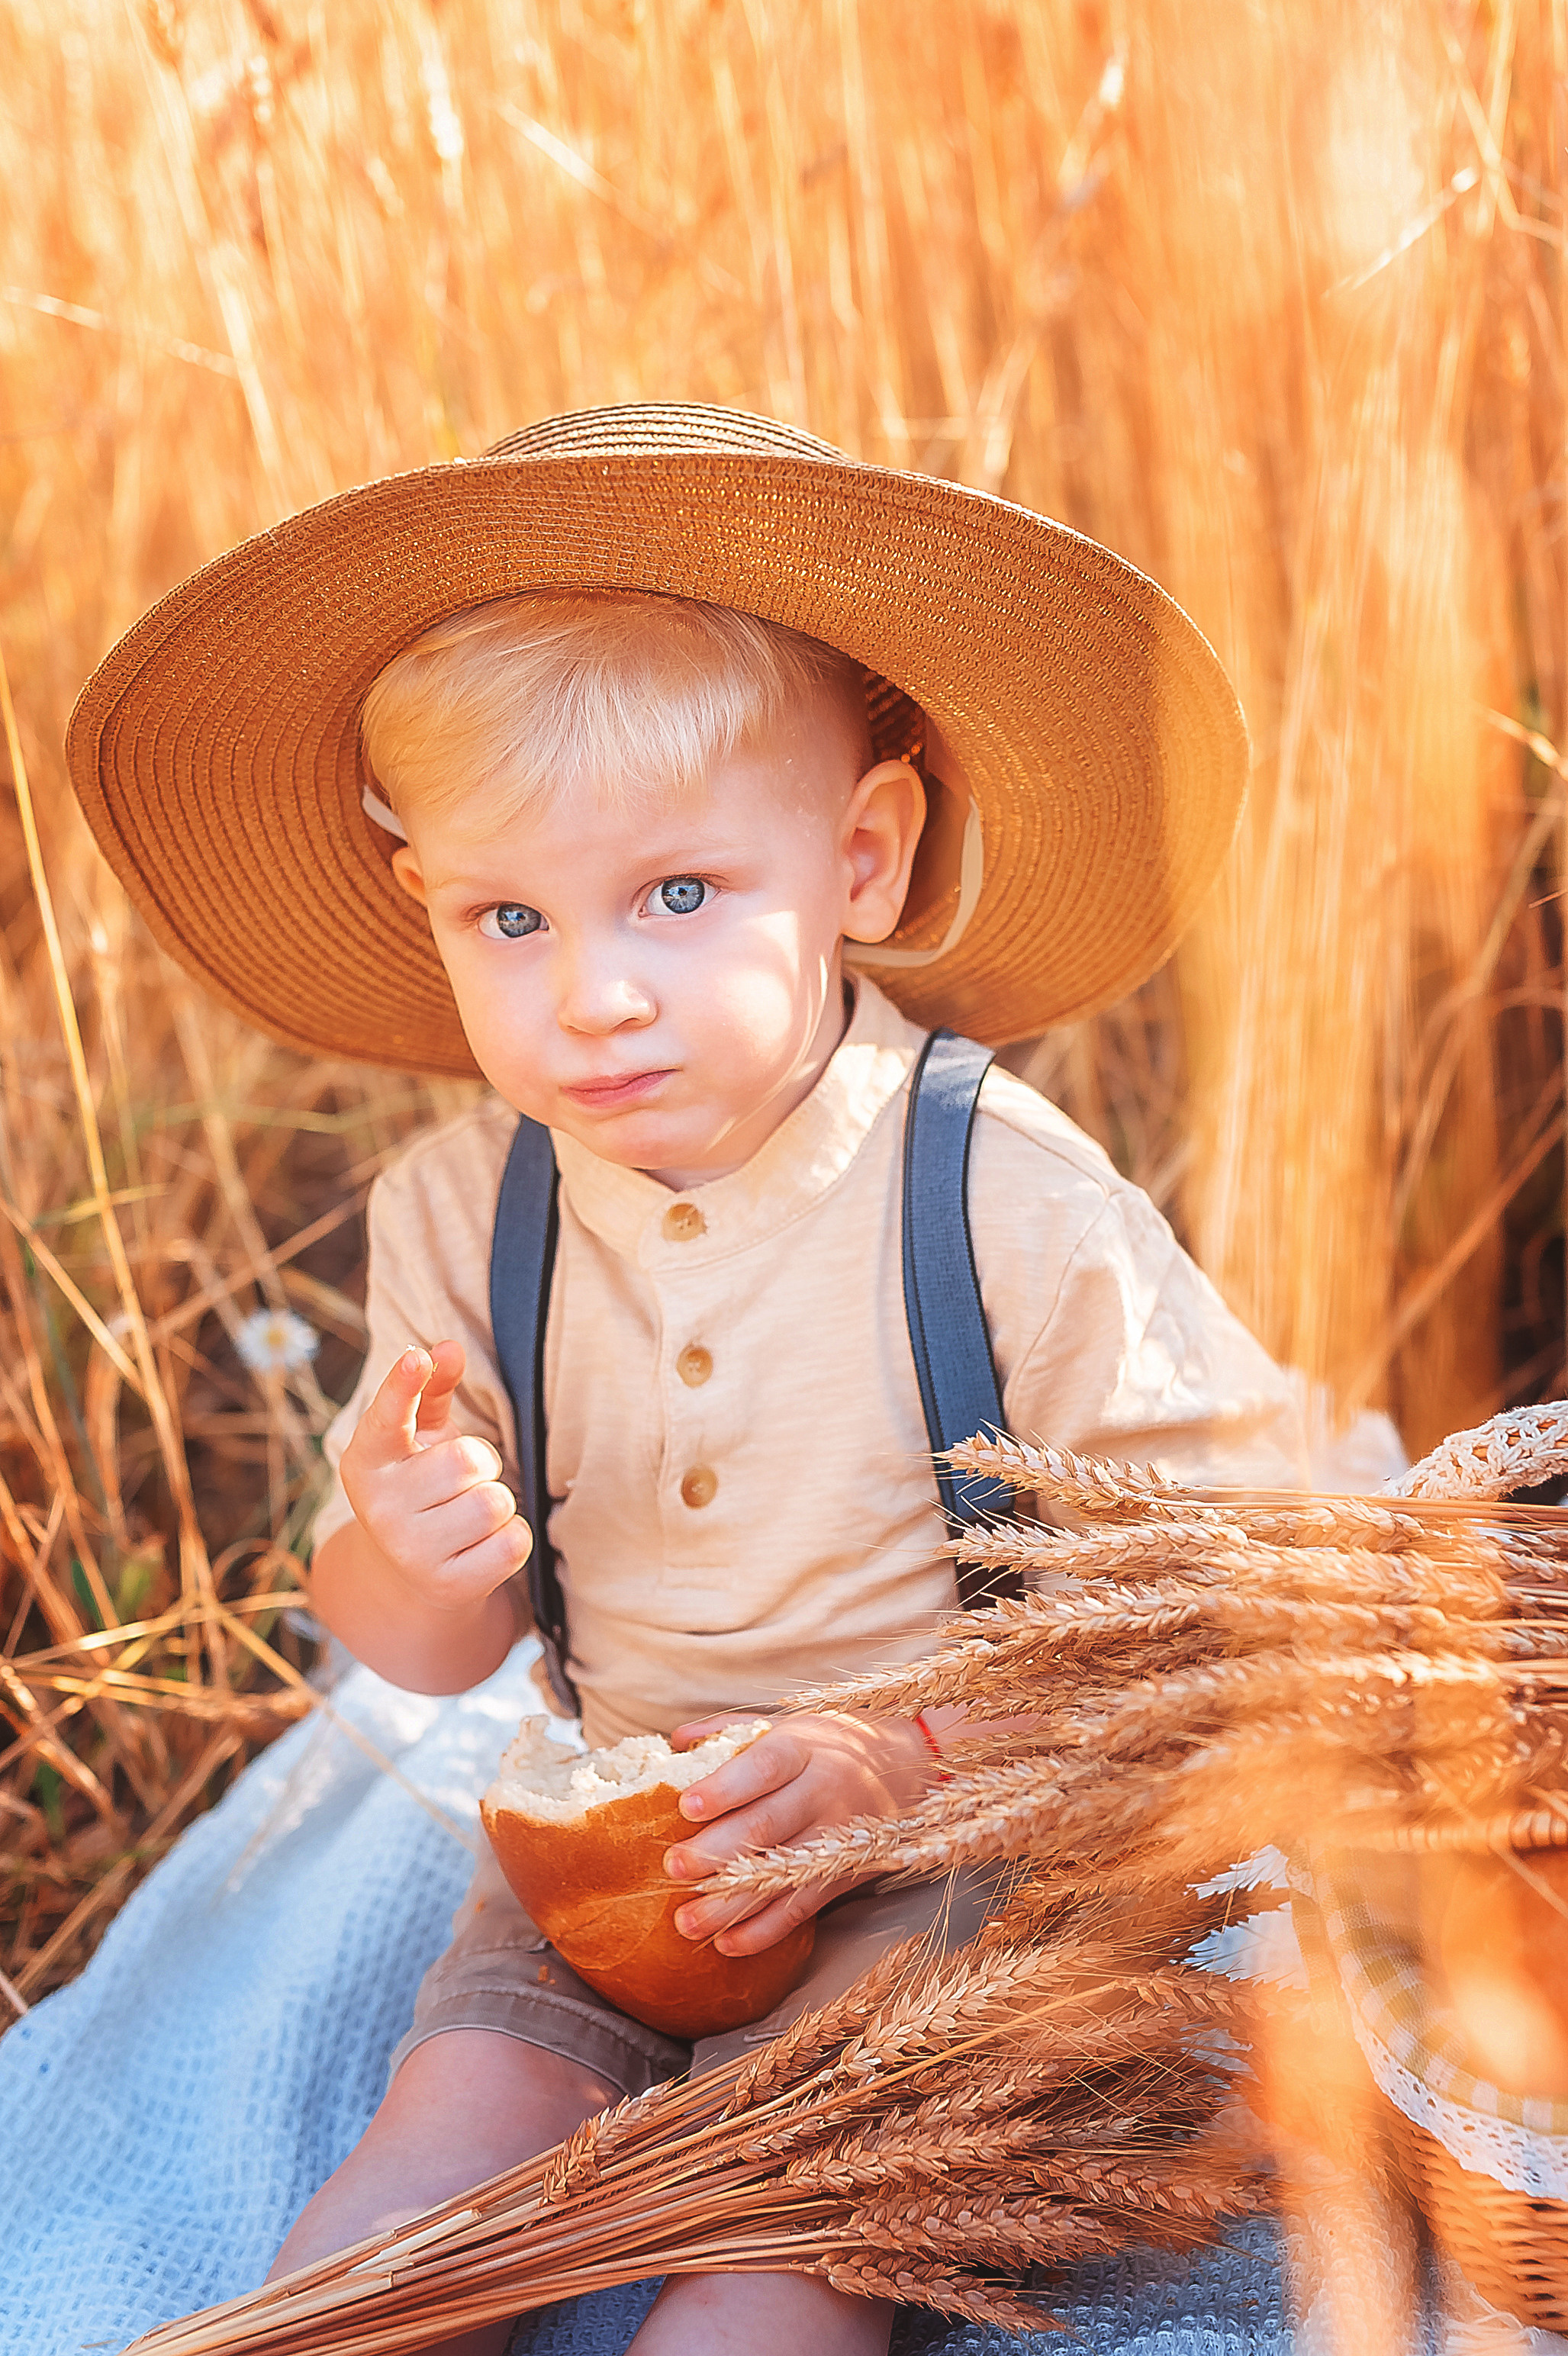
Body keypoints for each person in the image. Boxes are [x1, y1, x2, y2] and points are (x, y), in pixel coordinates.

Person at [66, 404, 1304, 2355]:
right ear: (431, 910)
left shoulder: (1003, 1198)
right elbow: (419, 1651)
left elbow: (1211, 1618)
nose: (596, 991)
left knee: (781, 2241)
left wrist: (890, 1762)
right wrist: (414, 1551)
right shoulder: (464, 1209)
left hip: (947, 1851)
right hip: (603, 1841)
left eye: (676, 894)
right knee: (427, 2167)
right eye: (511, 916)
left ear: (864, 860)